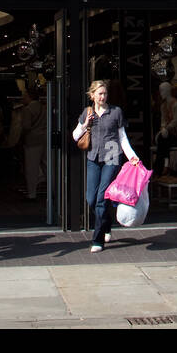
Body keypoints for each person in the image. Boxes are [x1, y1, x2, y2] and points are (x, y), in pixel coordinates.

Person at [72, 79, 139, 253]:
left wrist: (132, 156)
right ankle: (107, 222)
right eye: (99, 93)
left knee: (101, 198)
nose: (103, 96)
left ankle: (98, 239)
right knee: (91, 198)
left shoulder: (116, 112)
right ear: (92, 95)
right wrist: (85, 124)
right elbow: (75, 135)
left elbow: (122, 137)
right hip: (93, 157)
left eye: (105, 93)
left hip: (111, 156)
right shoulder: (87, 113)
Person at [153, 82, 177, 176]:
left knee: (163, 140)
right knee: (163, 140)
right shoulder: (163, 106)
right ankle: (165, 166)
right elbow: (163, 120)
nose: (161, 93)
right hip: (168, 135)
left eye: (162, 91)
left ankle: (159, 167)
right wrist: (163, 128)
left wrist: (166, 129)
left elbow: (175, 121)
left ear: (168, 91)